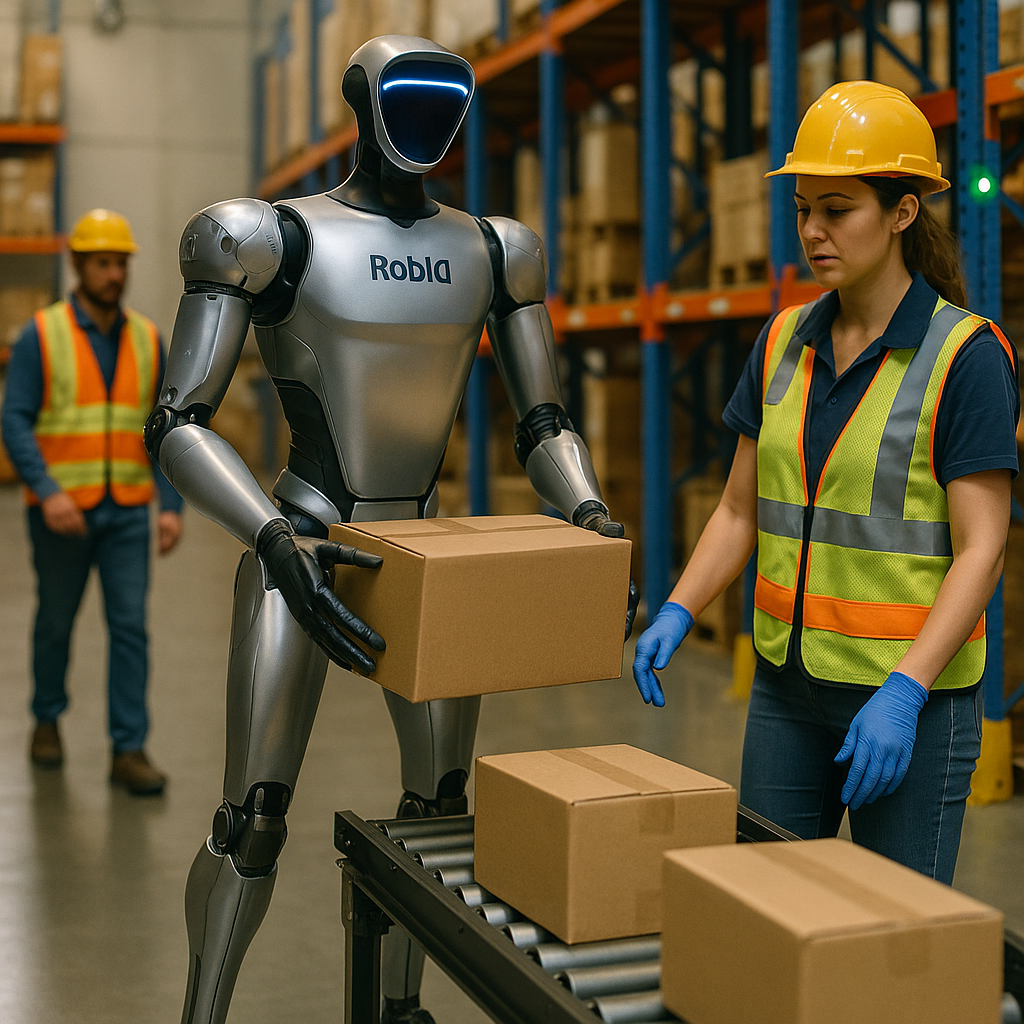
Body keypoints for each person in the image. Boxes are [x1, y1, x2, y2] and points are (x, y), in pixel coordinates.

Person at [144, 36, 635, 1024]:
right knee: (254, 818)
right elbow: (178, 421)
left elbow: (542, 422)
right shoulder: (271, 236)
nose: (425, 120)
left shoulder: (493, 249)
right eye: (405, 98)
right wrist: (272, 538)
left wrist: (586, 511)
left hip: (424, 551)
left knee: (438, 805)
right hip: (305, 541)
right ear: (362, 104)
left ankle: (398, 1007)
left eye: (440, 100)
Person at [632, 81, 1019, 885]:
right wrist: (679, 605)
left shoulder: (965, 357)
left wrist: (906, 692)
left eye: (837, 209)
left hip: (909, 704)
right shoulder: (782, 341)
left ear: (903, 211)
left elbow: (982, 552)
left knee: (892, 936)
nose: (812, 231)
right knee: (770, 916)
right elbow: (740, 509)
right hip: (788, 693)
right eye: (804, 208)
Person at [0, 208, 184, 796]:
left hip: (127, 510)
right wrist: (48, 492)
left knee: (130, 628)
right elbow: (15, 420)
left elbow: (168, 429)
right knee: (56, 623)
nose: (114, 274)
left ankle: (128, 749)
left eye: (121, 263)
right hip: (62, 515)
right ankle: (46, 719)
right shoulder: (41, 335)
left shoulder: (146, 337)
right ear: (78, 266)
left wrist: (171, 504)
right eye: (102, 263)